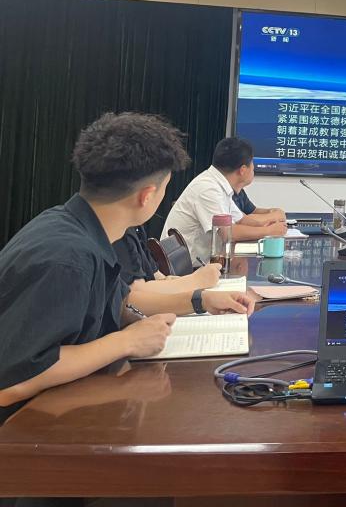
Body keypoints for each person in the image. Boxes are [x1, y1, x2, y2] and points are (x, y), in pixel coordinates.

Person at [0, 113, 256, 424]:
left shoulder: (84, 230)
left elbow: (120, 302)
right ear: (147, 196)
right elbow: (14, 380)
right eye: (164, 188)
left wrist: (202, 300)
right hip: (27, 433)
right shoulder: (67, 259)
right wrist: (127, 341)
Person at [162, 136, 287, 263]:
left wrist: (268, 224)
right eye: (252, 164)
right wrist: (268, 231)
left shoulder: (220, 186)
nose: (253, 168)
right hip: (184, 269)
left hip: (199, 263)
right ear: (243, 170)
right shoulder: (208, 188)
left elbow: (242, 220)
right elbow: (226, 233)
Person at [113, 225, 222, 293]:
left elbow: (157, 277)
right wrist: (196, 281)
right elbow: (135, 294)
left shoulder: (135, 227)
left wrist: (177, 281)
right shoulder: (119, 234)